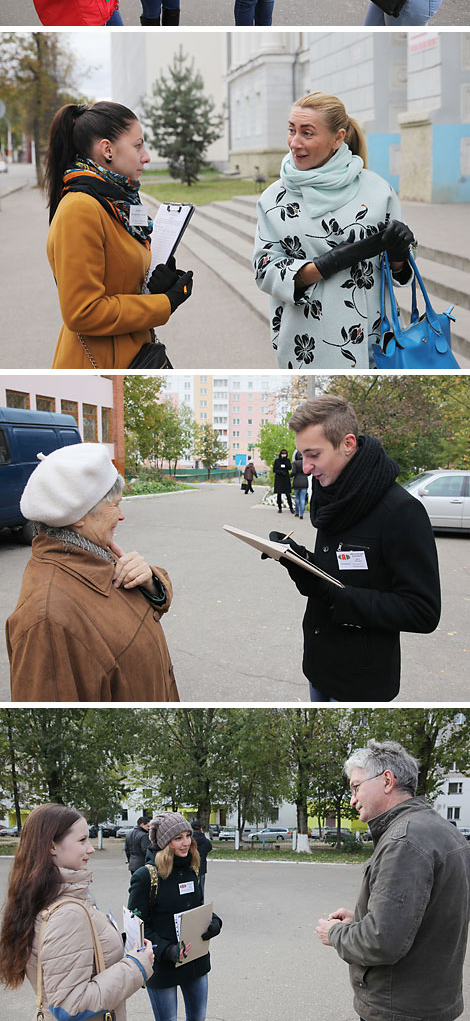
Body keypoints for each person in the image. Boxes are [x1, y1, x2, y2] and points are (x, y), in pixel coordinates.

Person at [265, 395, 441, 701]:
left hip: (361, 683)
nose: (305, 468)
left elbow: (423, 612)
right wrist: (298, 561)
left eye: (314, 455)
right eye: (301, 455)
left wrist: (341, 598)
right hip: (319, 670)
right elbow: (333, 576)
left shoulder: (401, 512)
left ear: (347, 444)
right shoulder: (331, 495)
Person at [253, 91, 415, 369]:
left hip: (372, 340)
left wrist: (399, 252)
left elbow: (399, 274)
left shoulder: (378, 191)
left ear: (338, 138)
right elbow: (264, 270)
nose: (294, 142)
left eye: (307, 133)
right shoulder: (274, 198)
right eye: (292, 130)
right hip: (306, 342)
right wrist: (327, 264)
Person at [6, 443, 180, 701]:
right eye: (115, 505)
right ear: (79, 515)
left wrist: (150, 582)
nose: (121, 516)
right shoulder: (46, 620)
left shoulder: (91, 550)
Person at [315, 739, 470, 1021]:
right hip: (430, 1002)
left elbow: (381, 941)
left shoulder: (405, 840)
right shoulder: (442, 829)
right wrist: (361, 916)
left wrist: (334, 934)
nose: (352, 799)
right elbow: (429, 913)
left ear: (387, 780)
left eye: (356, 786)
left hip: (398, 1008)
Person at [43, 100, 193, 368]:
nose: (146, 156)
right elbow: (82, 312)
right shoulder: (81, 208)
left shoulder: (115, 202)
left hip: (130, 356)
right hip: (98, 365)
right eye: (138, 146)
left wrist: (154, 285)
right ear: (108, 149)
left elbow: (117, 280)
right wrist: (164, 303)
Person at [0, 803, 155, 1021]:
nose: (91, 848)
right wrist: (137, 965)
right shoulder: (68, 913)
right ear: (52, 847)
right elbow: (70, 1006)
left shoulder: (47, 895)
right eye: (82, 840)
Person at [127, 812, 222, 1021]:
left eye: (188, 835)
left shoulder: (192, 869)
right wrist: (168, 950)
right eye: (178, 838)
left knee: (198, 1018)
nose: (187, 843)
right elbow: (137, 929)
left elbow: (196, 908)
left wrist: (214, 922)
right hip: (163, 966)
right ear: (164, 842)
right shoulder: (145, 876)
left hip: (195, 960)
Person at [191, 821, 212, 898]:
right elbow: (209, 848)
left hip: (190, 867)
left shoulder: (189, 840)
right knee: (201, 888)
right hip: (202, 867)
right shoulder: (205, 841)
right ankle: (201, 905)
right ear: (200, 829)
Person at [273, 448, 293, 514]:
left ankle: (291, 508)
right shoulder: (277, 461)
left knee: (288, 494)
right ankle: (279, 508)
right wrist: (280, 472)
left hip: (285, 479)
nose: (283, 455)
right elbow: (274, 470)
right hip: (279, 479)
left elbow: (290, 467)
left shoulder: (287, 460)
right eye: (282, 454)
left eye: (285, 454)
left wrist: (285, 461)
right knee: (279, 494)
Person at [291, 448, 308, 518]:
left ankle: (297, 512)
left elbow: (293, 473)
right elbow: (308, 473)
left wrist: (289, 475)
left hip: (296, 482)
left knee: (297, 498)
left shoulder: (295, 463)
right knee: (303, 499)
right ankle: (302, 513)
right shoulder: (306, 463)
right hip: (304, 482)